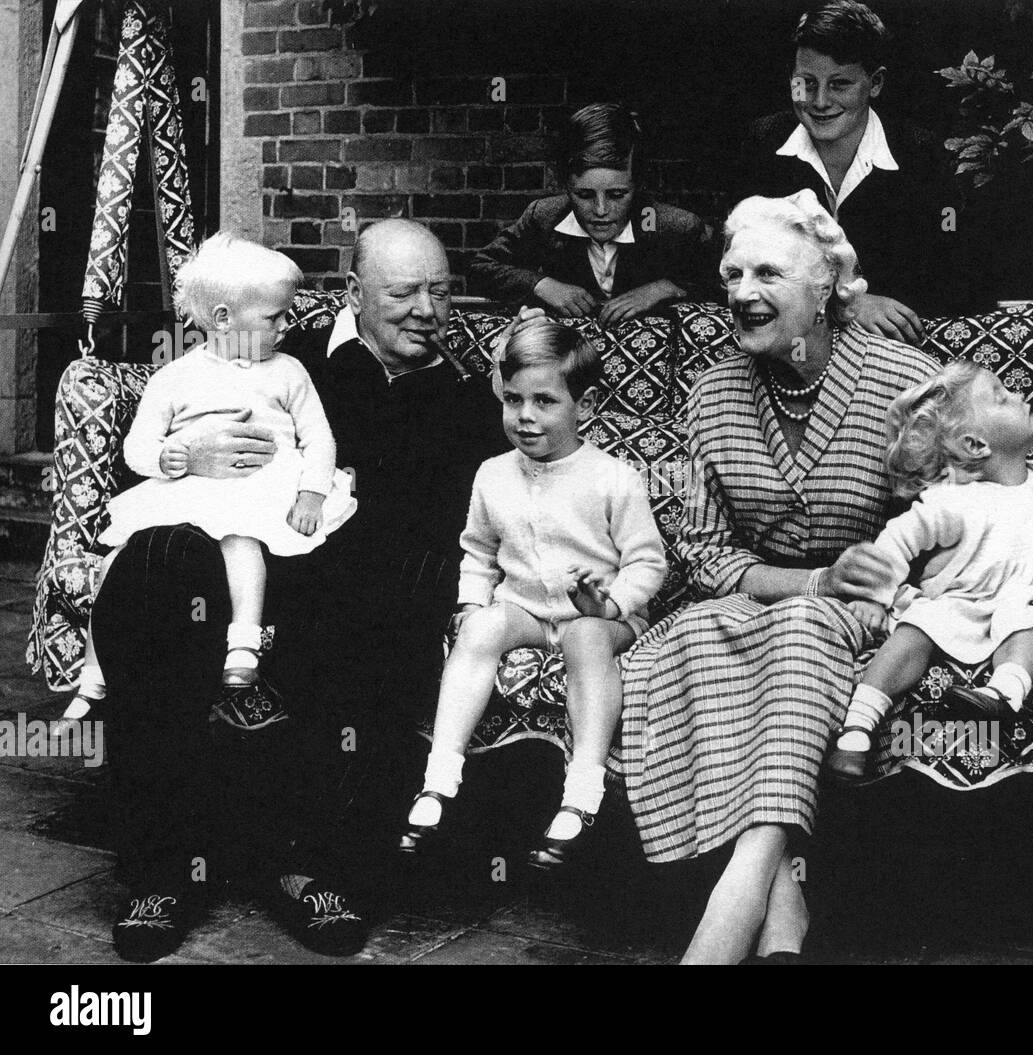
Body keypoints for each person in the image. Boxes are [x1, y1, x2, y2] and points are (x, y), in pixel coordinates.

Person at [91, 219, 506, 961]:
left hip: (358, 578)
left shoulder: (469, 400)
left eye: (440, 291)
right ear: (354, 292)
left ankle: (310, 863)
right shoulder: (285, 356)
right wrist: (192, 455)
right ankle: (164, 868)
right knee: (151, 565)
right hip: (231, 557)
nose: (427, 309)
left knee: (388, 597)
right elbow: (156, 444)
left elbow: (485, 516)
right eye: (404, 291)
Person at [611, 190, 935, 964]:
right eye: (732, 274)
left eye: (768, 273)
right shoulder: (713, 391)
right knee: (692, 631)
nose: (744, 293)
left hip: (867, 608)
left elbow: (959, 520)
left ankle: (738, 892)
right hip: (752, 602)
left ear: (827, 285)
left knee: (799, 631)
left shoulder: (906, 383)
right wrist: (808, 581)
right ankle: (783, 912)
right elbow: (705, 553)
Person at [55, 235, 355, 738]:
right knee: (115, 563)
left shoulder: (288, 372)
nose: (286, 327)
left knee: (243, 542)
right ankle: (95, 673)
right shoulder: (175, 376)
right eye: (274, 317)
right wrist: (176, 457)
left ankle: (243, 645)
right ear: (221, 319)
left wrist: (312, 492)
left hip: (262, 489)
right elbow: (137, 448)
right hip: (191, 487)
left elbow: (320, 438)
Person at [401, 321, 667, 869]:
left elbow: (647, 561)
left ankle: (582, 791)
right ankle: (439, 778)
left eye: (545, 401)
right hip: (526, 608)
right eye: (513, 399)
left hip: (602, 615)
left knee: (587, 638)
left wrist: (612, 602)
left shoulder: (613, 478)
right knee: (480, 628)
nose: (525, 416)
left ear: (584, 406)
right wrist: (473, 605)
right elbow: (476, 551)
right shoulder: (492, 475)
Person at [825, 361, 1033, 781]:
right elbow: (896, 541)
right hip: (963, 603)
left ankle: (1000, 696)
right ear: (976, 445)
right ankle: (858, 728)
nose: (1018, 395)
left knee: (1022, 615)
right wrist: (874, 594)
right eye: (1000, 396)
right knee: (920, 622)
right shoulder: (954, 501)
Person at [734, 0, 984, 340]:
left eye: (839, 84)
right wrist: (847, 303)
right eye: (806, 82)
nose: (819, 101)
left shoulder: (921, 157)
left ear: (876, 83)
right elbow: (737, 261)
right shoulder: (761, 145)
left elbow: (961, 277)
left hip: (891, 353)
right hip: (791, 345)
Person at [469, 102, 717, 322]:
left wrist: (665, 288)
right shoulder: (544, 216)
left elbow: (725, 283)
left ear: (637, 184)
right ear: (565, 185)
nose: (601, 210)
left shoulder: (676, 227)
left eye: (617, 195)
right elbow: (481, 267)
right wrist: (542, 285)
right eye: (584, 195)